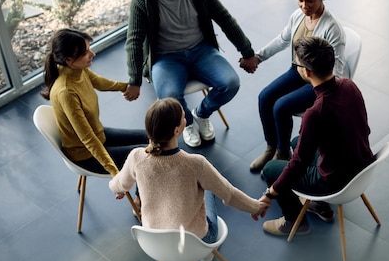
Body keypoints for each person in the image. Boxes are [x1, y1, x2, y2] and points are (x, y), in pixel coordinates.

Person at [123, 0, 257, 148]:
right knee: (169, 98)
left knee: (231, 83)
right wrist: (134, 79)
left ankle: (201, 114)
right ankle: (188, 123)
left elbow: (224, 17)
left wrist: (247, 51)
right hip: (166, 57)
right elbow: (134, 38)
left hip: (201, 50)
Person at [108, 98, 270, 246]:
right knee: (207, 189)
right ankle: (206, 254)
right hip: (194, 243)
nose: (186, 120)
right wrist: (256, 207)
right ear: (177, 131)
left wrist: (120, 189)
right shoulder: (195, 164)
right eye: (184, 117)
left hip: (154, 242)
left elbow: (117, 185)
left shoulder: (136, 157)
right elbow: (229, 195)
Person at [256, 37, 374, 236]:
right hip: (361, 164)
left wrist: (271, 193)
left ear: (306, 71)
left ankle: (293, 221)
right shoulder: (349, 85)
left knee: (270, 170)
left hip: (335, 180)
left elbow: (298, 164)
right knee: (296, 142)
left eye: (297, 64)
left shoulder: (315, 113)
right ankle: (318, 205)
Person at [240, 0, 346, 172]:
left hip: (318, 81)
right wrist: (258, 58)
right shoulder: (298, 16)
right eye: (300, 0)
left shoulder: (333, 30)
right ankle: (271, 148)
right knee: (264, 97)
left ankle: (283, 153)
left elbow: (338, 72)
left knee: (281, 106)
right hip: (297, 71)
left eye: (310, 1)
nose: (304, 6)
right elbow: (282, 40)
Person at [40, 28, 148, 180]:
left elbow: (98, 81)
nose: (93, 54)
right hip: (85, 154)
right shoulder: (66, 92)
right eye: (85, 53)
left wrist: (125, 87)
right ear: (69, 60)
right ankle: (142, 198)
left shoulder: (77, 70)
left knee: (151, 136)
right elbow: (88, 139)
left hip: (99, 133)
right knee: (146, 155)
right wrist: (115, 173)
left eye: (89, 49)